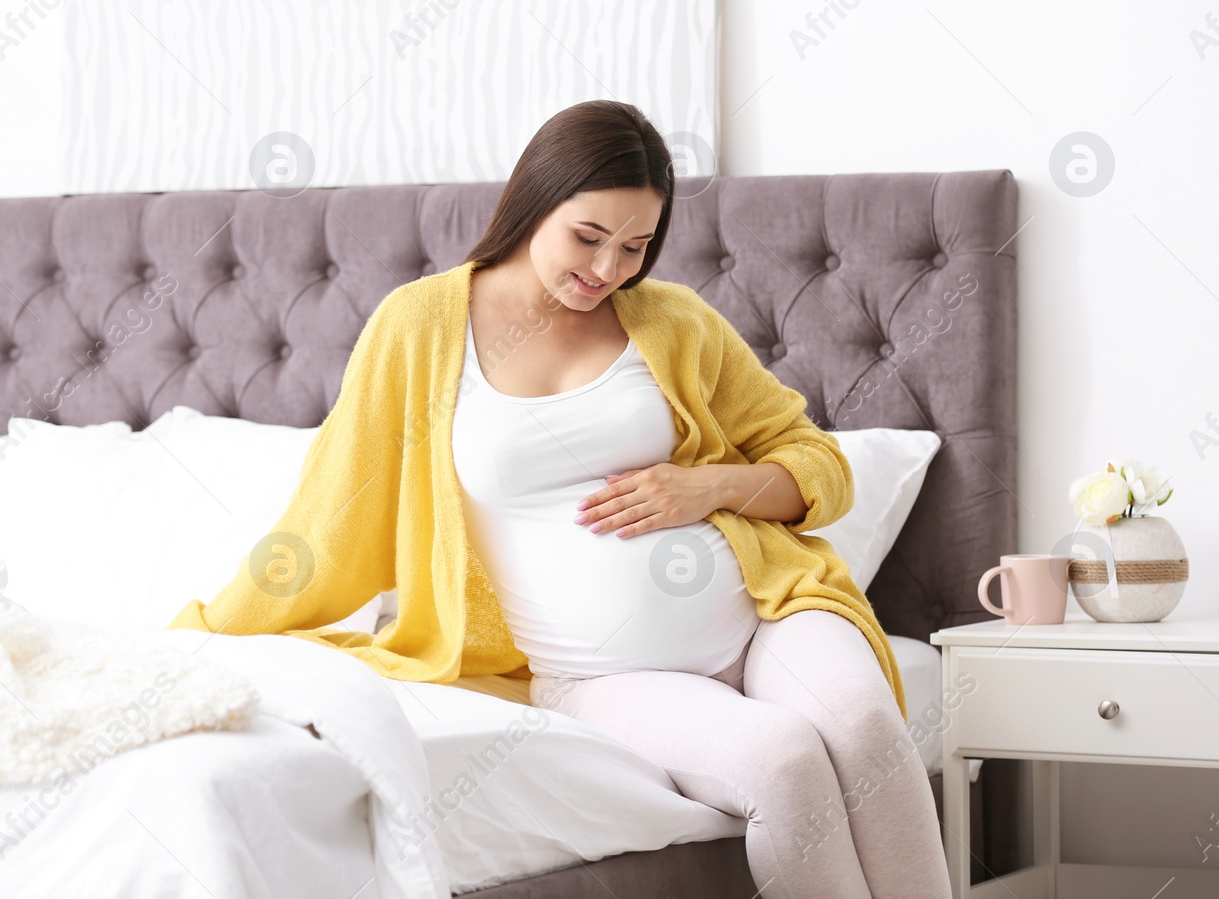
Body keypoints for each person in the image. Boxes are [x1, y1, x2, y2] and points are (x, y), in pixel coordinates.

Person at [173, 100, 952, 898]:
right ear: (533, 201)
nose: (608, 269)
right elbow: (332, 511)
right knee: (785, 762)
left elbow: (817, 461)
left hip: (770, 611)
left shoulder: (674, 322)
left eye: (636, 247)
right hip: (600, 674)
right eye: (588, 237)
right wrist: (201, 636)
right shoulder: (418, 328)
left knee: (863, 727)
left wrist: (708, 485)